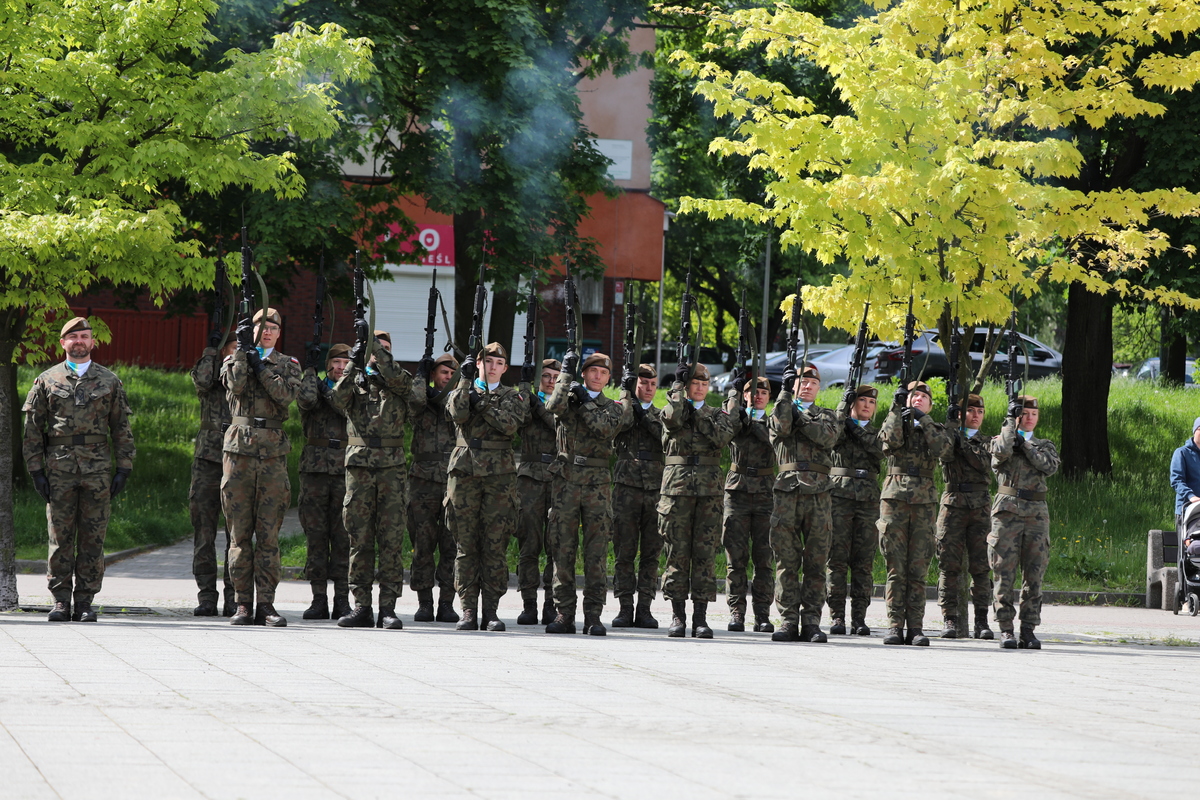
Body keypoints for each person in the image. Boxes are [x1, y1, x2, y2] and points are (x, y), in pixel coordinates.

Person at [23, 316, 135, 623]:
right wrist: (36, 472)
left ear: (93, 342)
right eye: (73, 337)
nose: (79, 342)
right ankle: (61, 600)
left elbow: (121, 428)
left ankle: (85, 601)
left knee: (93, 537)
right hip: (59, 469)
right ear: (63, 344)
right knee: (59, 537)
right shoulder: (47, 381)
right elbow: (33, 430)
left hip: (97, 470)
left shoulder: (109, 381)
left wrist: (123, 468)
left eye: (84, 336)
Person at [329, 330, 419, 630]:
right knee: (359, 539)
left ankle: (388, 608)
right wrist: (354, 363)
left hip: (391, 469)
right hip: (359, 469)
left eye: (386, 348)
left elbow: (409, 391)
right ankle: (362, 606)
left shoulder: (398, 379)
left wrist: (380, 355)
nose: (380, 352)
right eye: (375, 348)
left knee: (391, 540)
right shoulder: (354, 379)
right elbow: (337, 399)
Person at [220, 307, 302, 627]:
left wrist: (261, 366)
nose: (266, 332)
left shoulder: (288, 365)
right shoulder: (233, 360)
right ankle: (242, 603)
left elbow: (284, 395)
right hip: (238, 453)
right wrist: (243, 353)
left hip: (271, 456)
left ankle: (266, 604)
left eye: (272, 327)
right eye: (260, 327)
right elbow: (235, 387)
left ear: (279, 333)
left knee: (268, 535)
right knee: (239, 536)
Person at [446, 343, 530, 632]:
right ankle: (468, 609)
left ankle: (491, 610)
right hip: (464, 472)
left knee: (495, 544)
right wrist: (465, 380)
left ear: (505, 368)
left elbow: (509, 425)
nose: (492, 366)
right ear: (478, 363)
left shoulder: (513, 395)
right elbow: (457, 413)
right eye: (487, 361)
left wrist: (480, 403)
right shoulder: (462, 387)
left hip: (499, 477)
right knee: (466, 545)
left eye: (498, 362)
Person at [544, 352, 629, 636]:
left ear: (608, 379)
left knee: (596, 553)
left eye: (602, 373)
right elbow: (551, 405)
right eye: (591, 371)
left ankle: (593, 615)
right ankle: (564, 613)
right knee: (562, 550)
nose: (597, 376)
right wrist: (565, 377)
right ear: (584, 374)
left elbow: (604, 429)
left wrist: (585, 403)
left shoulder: (614, 407)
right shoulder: (568, 399)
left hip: (597, 485)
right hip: (566, 480)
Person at [659, 363, 741, 638]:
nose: (699, 387)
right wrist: (677, 390)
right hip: (677, 491)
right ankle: (677, 616)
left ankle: (701, 618)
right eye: (694, 383)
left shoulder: (717, 414)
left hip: (708, 493)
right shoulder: (674, 407)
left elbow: (721, 437)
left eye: (704, 384)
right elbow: (670, 419)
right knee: (676, 553)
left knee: (704, 555)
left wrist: (700, 412)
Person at [877, 380, 954, 646]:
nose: (918, 399)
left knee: (918, 569)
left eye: (923, 397)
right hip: (894, 501)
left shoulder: (935, 429)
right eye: (913, 396)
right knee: (896, 568)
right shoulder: (896, 421)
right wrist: (896, 408)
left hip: (923, 504)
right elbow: (887, 442)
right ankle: (895, 625)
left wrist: (925, 420)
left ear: (930, 404)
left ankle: (916, 628)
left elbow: (944, 450)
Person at [768, 363, 838, 643]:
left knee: (816, 560)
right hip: (787, 493)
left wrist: (802, 416)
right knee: (786, 560)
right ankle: (787, 620)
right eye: (800, 380)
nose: (806, 384)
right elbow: (781, 428)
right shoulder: (781, 409)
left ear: (819, 387)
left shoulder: (827, 416)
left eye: (812, 381)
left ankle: (811, 620)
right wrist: (784, 394)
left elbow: (827, 437)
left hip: (819, 495)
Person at [989, 395, 1060, 650]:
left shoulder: (1044, 445)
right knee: (1003, 573)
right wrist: (1010, 424)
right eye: (1024, 414)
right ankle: (1006, 629)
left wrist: (1026, 445)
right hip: (1007, 513)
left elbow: (1049, 466)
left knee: (1034, 574)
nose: (1029, 419)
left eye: (1033, 414)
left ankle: (1028, 629)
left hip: (1036, 515)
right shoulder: (1001, 441)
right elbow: (1000, 454)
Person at [296, 342, 352, 621]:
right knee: (316, 537)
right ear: (328, 364)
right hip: (315, 470)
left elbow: (344, 407)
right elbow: (305, 401)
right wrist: (309, 371)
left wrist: (328, 389)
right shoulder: (314, 386)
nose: (340, 368)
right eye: (335, 363)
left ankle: (342, 598)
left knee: (343, 537)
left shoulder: (352, 389)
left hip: (345, 470)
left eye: (345, 363)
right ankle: (319, 598)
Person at [408, 352, 462, 623]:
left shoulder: (461, 400)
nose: (448, 378)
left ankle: (447, 603)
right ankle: (425, 602)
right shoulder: (423, 401)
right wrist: (419, 375)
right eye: (443, 373)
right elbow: (415, 400)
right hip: (423, 481)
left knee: (451, 544)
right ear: (433, 375)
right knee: (423, 543)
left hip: (453, 481)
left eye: (453, 374)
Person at [935, 393, 994, 639]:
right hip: (953, 505)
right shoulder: (949, 437)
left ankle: (982, 621)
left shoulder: (989, 441)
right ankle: (950, 619)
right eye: (970, 411)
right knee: (949, 565)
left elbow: (985, 464)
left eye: (980, 412)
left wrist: (964, 445)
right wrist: (951, 429)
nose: (976, 416)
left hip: (980, 506)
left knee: (981, 567)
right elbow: (943, 453)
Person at [611, 364, 665, 629]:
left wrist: (645, 416)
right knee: (624, 551)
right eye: (643, 384)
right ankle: (624, 607)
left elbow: (665, 437)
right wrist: (626, 399)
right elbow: (617, 426)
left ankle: (644, 607)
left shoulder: (664, 414)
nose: (648, 389)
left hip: (655, 490)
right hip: (625, 488)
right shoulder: (622, 409)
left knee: (651, 553)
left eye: (653, 384)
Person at [827, 384, 883, 636]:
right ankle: (837, 616)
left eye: (871, 403)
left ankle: (859, 618)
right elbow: (829, 436)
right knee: (836, 559)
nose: (867, 406)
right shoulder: (840, 426)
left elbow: (878, 449)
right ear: (853, 403)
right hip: (839, 496)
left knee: (863, 562)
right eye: (861, 401)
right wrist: (842, 409)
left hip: (868, 500)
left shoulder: (879, 433)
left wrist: (854, 428)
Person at [722, 375, 776, 633]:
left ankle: (762, 615)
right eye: (751, 391)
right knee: (736, 557)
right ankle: (736, 613)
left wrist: (754, 423)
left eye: (763, 392)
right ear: (744, 395)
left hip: (766, 492)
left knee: (764, 558)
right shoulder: (735, 414)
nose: (757, 395)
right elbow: (725, 428)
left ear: (769, 397)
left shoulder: (775, 419)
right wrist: (733, 396)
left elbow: (775, 442)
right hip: (737, 491)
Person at [188, 337, 236, 617]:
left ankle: (233, 596)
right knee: (204, 532)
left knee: (236, 534)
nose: (234, 355)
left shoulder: (244, 377)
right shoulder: (210, 377)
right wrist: (210, 352)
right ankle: (207, 596)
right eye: (231, 349)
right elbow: (203, 379)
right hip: (208, 458)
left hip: (238, 457)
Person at [515, 358, 560, 625]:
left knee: (555, 546)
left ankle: (551, 605)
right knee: (528, 544)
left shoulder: (566, 404)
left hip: (557, 478)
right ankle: (529, 603)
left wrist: (540, 406)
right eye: (546, 376)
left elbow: (559, 426)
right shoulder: (527, 400)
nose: (551, 380)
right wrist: (523, 390)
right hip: (530, 477)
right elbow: (513, 421)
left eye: (556, 376)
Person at [1169, 417, 1200, 533]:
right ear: (1194, 431)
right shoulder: (1182, 453)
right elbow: (1176, 480)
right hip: (1188, 510)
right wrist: (1191, 496)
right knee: (1189, 546)